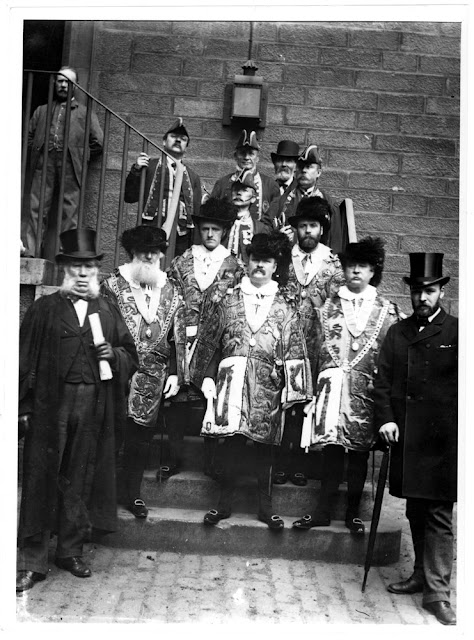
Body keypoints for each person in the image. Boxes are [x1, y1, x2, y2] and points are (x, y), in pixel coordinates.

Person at [16, 228, 138, 593]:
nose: (83, 274)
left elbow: (131, 356)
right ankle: (31, 560)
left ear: (96, 272)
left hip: (93, 406)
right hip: (50, 404)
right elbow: (22, 362)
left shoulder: (108, 309)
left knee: (79, 476)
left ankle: (69, 551)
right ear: (64, 269)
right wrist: (23, 407)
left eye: (89, 267)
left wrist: (113, 356)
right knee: (41, 477)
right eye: (76, 267)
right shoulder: (44, 309)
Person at [191, 232, 313, 529]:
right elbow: (210, 341)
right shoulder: (228, 300)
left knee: (264, 447)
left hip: (267, 386)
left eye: (266, 261)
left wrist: (293, 392)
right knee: (230, 444)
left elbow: (296, 348)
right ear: (246, 262)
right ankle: (223, 505)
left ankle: (265, 507)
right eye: (255, 259)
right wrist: (207, 376)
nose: (259, 265)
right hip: (231, 382)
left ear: (275, 266)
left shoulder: (286, 307)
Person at [292, 237, 402, 534]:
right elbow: (313, 348)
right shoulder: (328, 307)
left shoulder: (387, 310)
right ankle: (323, 512)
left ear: (372, 272)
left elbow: (393, 358)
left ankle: (353, 513)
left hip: (365, 394)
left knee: (359, 455)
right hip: (332, 392)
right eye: (351, 265)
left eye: (362, 267)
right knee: (331, 453)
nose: (355, 271)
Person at [374, 253, 458, 626]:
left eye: (430, 291)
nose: (423, 298)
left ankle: (438, 594)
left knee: (439, 514)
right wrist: (387, 421)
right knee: (415, 510)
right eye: (417, 292)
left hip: (443, 441)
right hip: (407, 436)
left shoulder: (457, 333)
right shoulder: (398, 332)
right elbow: (382, 384)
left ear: (441, 291)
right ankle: (421, 576)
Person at [101, 225, 188, 519]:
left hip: (154, 377)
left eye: (155, 251)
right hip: (118, 374)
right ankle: (104, 497)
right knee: (113, 437)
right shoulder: (112, 287)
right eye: (143, 251)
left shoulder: (172, 290)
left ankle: (132, 494)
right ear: (132, 253)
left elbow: (180, 338)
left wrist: (176, 373)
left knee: (140, 440)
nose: (150, 256)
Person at [162, 197, 244, 480]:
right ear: (199, 229)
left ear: (223, 232)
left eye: (216, 230)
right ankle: (174, 458)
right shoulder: (182, 262)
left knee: (211, 396)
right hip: (183, 340)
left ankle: (211, 462)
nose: (210, 235)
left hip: (216, 343)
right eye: (206, 229)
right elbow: (171, 302)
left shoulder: (234, 267)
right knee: (178, 398)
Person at [274, 197, 345, 487]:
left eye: (313, 226)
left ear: (322, 229)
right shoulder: (283, 257)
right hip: (285, 343)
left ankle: (302, 463)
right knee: (285, 403)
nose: (307, 232)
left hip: (316, 346)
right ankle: (281, 461)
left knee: (307, 405)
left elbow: (339, 305)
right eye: (302, 226)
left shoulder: (333, 263)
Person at [24, 67, 104, 259]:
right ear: (55, 83)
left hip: (71, 165)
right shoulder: (41, 110)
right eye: (60, 81)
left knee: (70, 211)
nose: (62, 85)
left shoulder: (85, 113)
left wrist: (79, 155)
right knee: (36, 207)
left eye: (67, 82)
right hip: (44, 163)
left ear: (75, 86)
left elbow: (98, 142)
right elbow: (28, 137)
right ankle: (32, 252)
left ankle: (67, 253)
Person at [124, 118, 202, 257]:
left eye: (183, 139)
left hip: (181, 235)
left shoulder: (193, 176)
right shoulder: (149, 166)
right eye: (173, 137)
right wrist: (136, 170)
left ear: (186, 147)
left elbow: (196, 213)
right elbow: (129, 197)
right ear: (164, 142)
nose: (178, 140)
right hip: (151, 230)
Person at [269, 144, 347, 253]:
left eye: (309, 166)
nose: (304, 171)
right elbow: (268, 230)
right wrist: (279, 237)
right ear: (296, 171)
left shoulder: (329, 204)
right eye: (301, 167)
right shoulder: (282, 200)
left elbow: (335, 242)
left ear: (318, 172)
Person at [211, 129, 279, 223]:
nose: (246, 157)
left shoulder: (270, 185)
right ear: (235, 156)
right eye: (242, 153)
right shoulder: (222, 183)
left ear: (257, 158)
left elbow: (273, 218)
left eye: (251, 154)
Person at [226, 169, 273, 263]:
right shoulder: (222, 224)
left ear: (253, 198)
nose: (239, 193)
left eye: (244, 190)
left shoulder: (261, 228)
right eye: (235, 190)